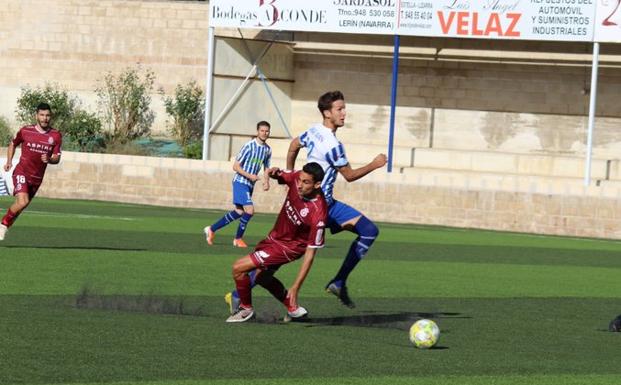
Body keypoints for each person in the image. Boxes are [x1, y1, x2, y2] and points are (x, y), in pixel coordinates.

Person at [286, 91, 387, 308]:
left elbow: (294, 145)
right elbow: (349, 176)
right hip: (318, 208)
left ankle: (339, 282)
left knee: (369, 230)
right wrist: (374, 164)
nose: (344, 113)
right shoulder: (333, 145)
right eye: (339, 109)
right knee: (287, 252)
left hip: (327, 204)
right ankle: (243, 291)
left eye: (344, 108)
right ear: (327, 113)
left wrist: (290, 173)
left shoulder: (314, 131)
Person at [225, 162, 327, 323]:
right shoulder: (297, 177)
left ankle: (246, 310)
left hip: (289, 248)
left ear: (317, 184)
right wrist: (273, 173)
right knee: (262, 278)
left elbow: (310, 254)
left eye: (306, 182)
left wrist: (296, 287)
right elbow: (280, 175)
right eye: (300, 180)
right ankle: (292, 308)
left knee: (238, 268)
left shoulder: (318, 213)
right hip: (274, 238)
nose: (299, 185)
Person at [204, 121, 272, 247]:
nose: (264, 133)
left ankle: (211, 229)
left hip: (249, 185)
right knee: (250, 210)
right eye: (262, 130)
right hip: (240, 182)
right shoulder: (249, 146)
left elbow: (266, 167)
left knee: (239, 212)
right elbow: (236, 166)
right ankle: (238, 239)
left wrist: (266, 181)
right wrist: (250, 176)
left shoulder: (267, 150)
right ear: (257, 131)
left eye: (267, 131)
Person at [0, 103, 62, 241]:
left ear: (50, 117)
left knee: (21, 206)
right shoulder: (26, 131)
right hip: (22, 172)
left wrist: (50, 159)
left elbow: (57, 158)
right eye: (42, 115)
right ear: (36, 116)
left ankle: (4, 226)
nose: (45, 118)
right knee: (22, 201)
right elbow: (13, 143)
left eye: (47, 115)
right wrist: (9, 161)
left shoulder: (56, 135)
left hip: (37, 178)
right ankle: (3, 225)